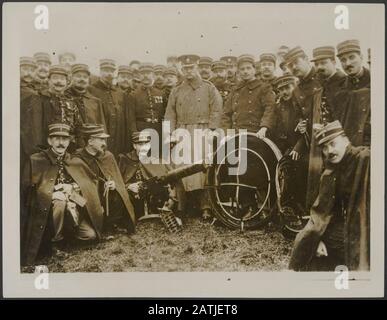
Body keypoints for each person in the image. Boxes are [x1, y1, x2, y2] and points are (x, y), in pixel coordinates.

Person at [289, 120, 370, 271]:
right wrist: (319, 240)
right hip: (342, 236)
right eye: (324, 148)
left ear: (346, 141)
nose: (329, 151)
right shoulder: (330, 173)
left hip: (366, 234)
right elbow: (323, 213)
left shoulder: (365, 160)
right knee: (312, 255)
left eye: (333, 143)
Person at [21, 123, 104, 266]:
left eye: (64, 139)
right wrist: (51, 195)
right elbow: (27, 191)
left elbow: (89, 185)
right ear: (49, 141)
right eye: (57, 139)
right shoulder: (36, 160)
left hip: (74, 207)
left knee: (90, 236)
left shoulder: (75, 161)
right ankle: (56, 243)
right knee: (60, 202)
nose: (61, 143)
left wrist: (72, 187)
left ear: (69, 141)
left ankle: (67, 236)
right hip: (47, 216)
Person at [164, 54, 223, 220]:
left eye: (191, 68)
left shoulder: (209, 88)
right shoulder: (176, 90)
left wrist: (212, 130)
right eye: (185, 68)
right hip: (182, 132)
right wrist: (170, 133)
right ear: (181, 70)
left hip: (203, 131)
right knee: (181, 168)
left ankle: (206, 207)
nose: (188, 71)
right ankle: (183, 206)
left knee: (204, 168)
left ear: (197, 67)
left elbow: (217, 109)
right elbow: (169, 114)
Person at [73, 124, 136, 234]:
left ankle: (111, 225)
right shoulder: (77, 158)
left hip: (105, 193)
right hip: (87, 196)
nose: (104, 143)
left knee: (118, 194)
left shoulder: (107, 156)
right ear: (90, 141)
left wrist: (113, 183)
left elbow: (116, 178)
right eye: (101, 140)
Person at [118, 131, 184, 228]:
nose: (144, 147)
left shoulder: (154, 159)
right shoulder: (124, 159)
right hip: (132, 198)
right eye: (140, 144)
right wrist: (128, 186)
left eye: (146, 144)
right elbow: (117, 181)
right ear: (134, 145)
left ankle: (173, 213)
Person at [221, 54, 275, 137]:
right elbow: (226, 114)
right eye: (242, 69)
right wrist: (226, 133)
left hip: (256, 134)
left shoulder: (264, 88)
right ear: (238, 71)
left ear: (254, 70)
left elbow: (270, 109)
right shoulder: (235, 89)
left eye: (248, 68)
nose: (245, 71)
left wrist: (264, 127)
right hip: (235, 134)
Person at [89, 59, 128, 157]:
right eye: (106, 70)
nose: (109, 74)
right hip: (101, 132)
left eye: (111, 71)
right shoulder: (92, 90)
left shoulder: (119, 92)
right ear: (100, 71)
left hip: (118, 135)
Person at [126, 63, 167, 152]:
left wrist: (166, 133)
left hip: (158, 130)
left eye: (148, 73)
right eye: (143, 73)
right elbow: (131, 118)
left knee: (158, 157)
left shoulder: (160, 93)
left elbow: (165, 115)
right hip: (142, 130)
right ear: (139, 76)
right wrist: (135, 134)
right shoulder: (133, 95)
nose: (146, 76)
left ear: (153, 75)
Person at [41, 65, 82, 149]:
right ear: (48, 80)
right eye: (55, 78)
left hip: (69, 147)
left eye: (62, 79)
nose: (59, 81)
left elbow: (78, 126)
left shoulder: (71, 102)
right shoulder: (40, 99)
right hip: (46, 146)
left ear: (67, 82)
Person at [65, 63, 106, 146]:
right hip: (69, 145)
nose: (82, 79)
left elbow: (102, 128)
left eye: (85, 77)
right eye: (78, 76)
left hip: (91, 146)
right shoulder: (64, 97)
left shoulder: (95, 101)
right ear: (71, 78)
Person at [20, 57, 44, 171]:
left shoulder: (33, 91)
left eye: (31, 70)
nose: (28, 73)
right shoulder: (30, 94)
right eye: (25, 69)